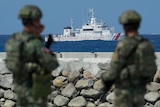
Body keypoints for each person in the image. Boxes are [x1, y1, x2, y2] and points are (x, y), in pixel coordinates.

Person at [5, 5, 59, 107]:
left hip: (20, 89)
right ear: (34, 21)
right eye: (38, 20)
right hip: (35, 91)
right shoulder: (34, 43)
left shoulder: (13, 39)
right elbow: (52, 64)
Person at [101, 10, 157, 107]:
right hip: (139, 93)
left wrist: (105, 81)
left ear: (124, 26)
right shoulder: (147, 45)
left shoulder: (123, 45)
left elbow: (114, 69)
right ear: (138, 25)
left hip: (124, 93)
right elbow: (152, 68)